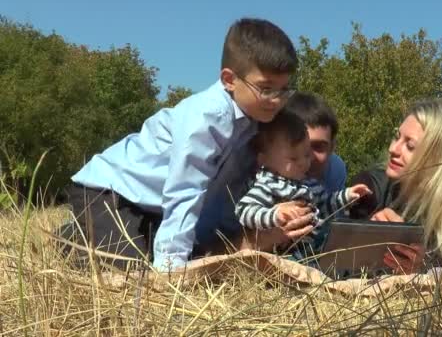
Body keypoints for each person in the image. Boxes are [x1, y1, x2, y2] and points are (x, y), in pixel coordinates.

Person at [58, 17, 312, 271]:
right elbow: (186, 190)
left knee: (186, 256)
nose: (276, 100)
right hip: (112, 192)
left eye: (284, 89)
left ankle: (80, 236)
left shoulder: (257, 121)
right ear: (229, 79)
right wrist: (171, 270)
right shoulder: (207, 117)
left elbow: (225, 195)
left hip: (153, 208)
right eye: (266, 89)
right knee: (131, 276)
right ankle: (72, 242)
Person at [349, 99, 442, 274]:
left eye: (410, 146)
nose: (393, 148)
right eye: (397, 137)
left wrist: (423, 266)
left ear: (439, 161)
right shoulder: (370, 189)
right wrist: (366, 236)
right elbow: (333, 261)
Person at [235, 110, 369, 258]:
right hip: (279, 255)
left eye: (306, 155)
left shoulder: (309, 184)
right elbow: (244, 209)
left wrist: (347, 195)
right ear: (264, 160)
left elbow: (326, 204)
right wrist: (274, 215)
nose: (303, 163)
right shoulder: (268, 184)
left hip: (308, 251)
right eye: (293, 158)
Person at [283, 92, 347, 193]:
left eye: (318, 147)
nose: (309, 157)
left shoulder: (335, 170)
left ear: (332, 147)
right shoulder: (263, 173)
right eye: (297, 145)